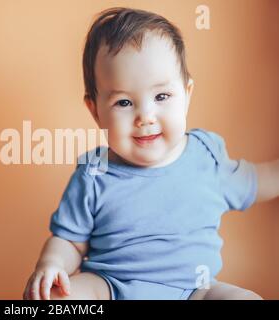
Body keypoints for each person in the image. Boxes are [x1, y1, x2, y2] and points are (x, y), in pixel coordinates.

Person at [23, 7, 278, 300]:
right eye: (123, 103)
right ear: (95, 111)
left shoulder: (206, 156)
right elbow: (69, 241)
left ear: (186, 94)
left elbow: (257, 180)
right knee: (52, 300)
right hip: (109, 286)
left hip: (194, 290)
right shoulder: (94, 173)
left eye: (161, 97)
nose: (146, 116)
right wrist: (52, 264)